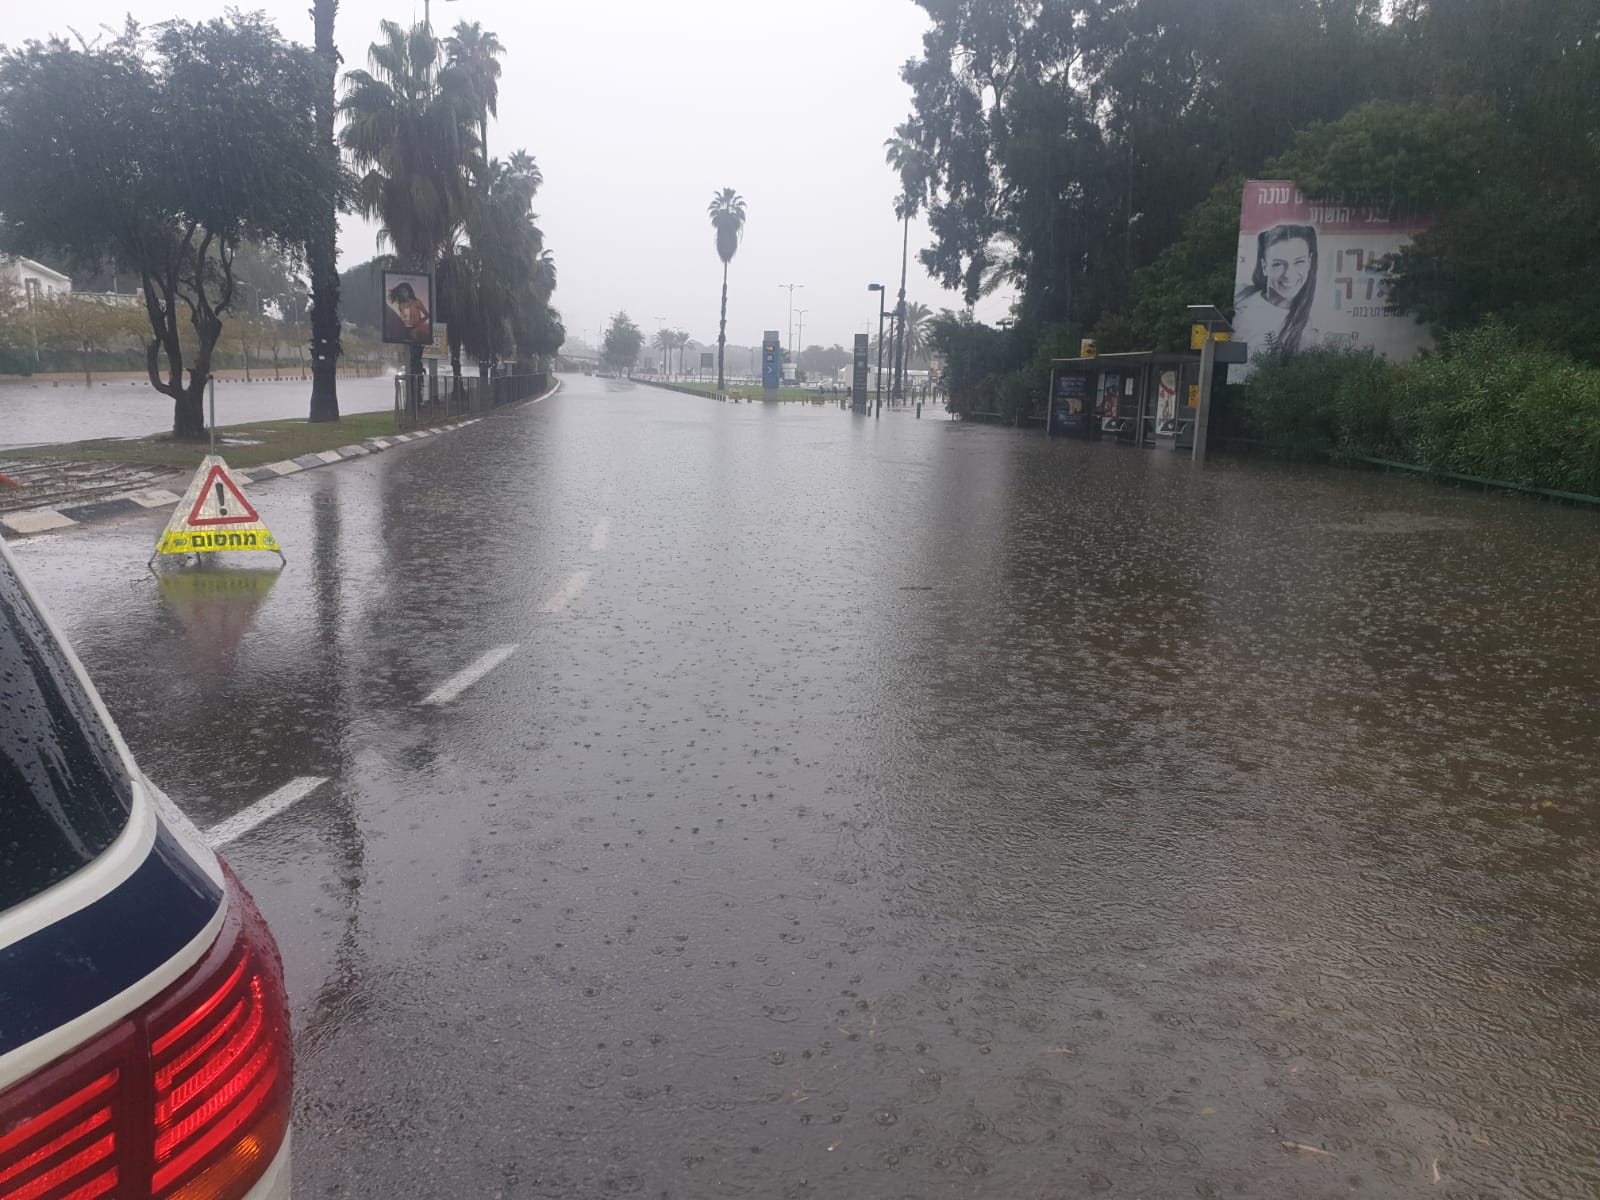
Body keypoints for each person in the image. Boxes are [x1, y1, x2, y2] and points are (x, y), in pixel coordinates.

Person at [1232, 223, 1319, 360]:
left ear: (1309, 262)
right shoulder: (1240, 294)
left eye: (1299, 262)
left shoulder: (1306, 331)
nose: (1288, 275)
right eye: (1278, 264)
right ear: (1264, 266)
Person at [384, 280, 432, 345]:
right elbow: (405, 319)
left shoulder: (417, 302)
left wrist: (419, 322)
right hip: (408, 328)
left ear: (409, 291)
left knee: (418, 334)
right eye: (401, 292)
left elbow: (427, 315)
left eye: (405, 291)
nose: (403, 294)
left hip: (420, 326)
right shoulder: (401, 305)